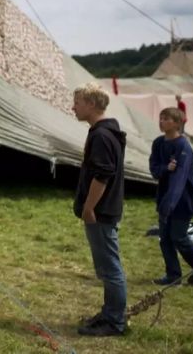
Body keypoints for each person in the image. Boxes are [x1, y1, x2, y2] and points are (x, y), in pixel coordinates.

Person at [71, 82, 127, 337]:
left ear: (91, 105)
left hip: (100, 211)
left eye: (78, 103)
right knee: (106, 267)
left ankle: (115, 321)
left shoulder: (102, 136)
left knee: (110, 268)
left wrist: (89, 207)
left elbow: (103, 176)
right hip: (103, 210)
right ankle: (109, 313)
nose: (73, 107)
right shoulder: (103, 132)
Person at [149, 107, 193, 286]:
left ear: (177, 123)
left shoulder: (183, 147)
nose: (161, 121)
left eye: (166, 119)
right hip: (165, 199)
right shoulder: (158, 143)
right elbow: (154, 170)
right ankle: (173, 275)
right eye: (161, 118)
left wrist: (169, 205)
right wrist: (165, 168)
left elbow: (179, 179)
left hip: (183, 201)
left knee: (178, 236)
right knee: (165, 239)